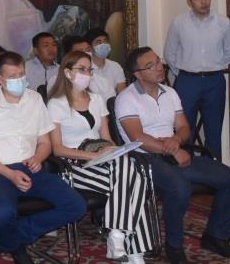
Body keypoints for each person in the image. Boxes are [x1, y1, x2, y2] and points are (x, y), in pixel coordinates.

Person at [117, 47, 230, 263]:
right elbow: (138, 137)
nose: (159, 68)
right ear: (137, 74)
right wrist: (174, 149)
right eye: (151, 66)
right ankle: (174, 245)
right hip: (144, 159)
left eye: (158, 61)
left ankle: (215, 236)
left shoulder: (170, 92)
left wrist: (176, 140)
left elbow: (184, 127)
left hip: (172, 151)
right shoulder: (126, 98)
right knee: (180, 187)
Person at [0, 52, 85, 263]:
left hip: (31, 167)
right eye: (13, 76)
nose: (19, 79)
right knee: (2, 213)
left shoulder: (35, 99)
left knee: (76, 206)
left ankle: (9, 240)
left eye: (22, 74)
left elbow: (45, 142)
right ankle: (15, 245)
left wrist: (38, 158)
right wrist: (10, 174)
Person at [48, 50, 153, 264]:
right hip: (74, 165)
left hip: (103, 161)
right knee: (136, 182)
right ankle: (132, 252)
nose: (87, 74)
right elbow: (57, 149)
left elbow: (107, 139)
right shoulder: (56, 103)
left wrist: (114, 150)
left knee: (130, 173)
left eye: (89, 70)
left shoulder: (96, 99)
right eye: (82, 69)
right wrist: (91, 155)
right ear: (67, 72)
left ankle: (118, 235)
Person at [163, 0, 230, 159]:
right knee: (184, 129)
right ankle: (186, 169)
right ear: (189, 2)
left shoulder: (223, 23)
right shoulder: (179, 22)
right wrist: (183, 73)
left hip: (214, 81)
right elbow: (169, 53)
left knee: (214, 130)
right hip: (187, 81)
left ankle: (214, 170)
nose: (204, 2)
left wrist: (214, 66)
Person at [61, 33, 116, 99]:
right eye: (80, 52)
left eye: (88, 50)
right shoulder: (58, 82)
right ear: (69, 56)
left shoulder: (103, 82)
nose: (86, 54)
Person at [86, 27, 126, 94]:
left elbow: (122, 92)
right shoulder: (86, 68)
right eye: (98, 42)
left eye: (105, 41)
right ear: (90, 47)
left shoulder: (115, 66)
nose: (103, 45)